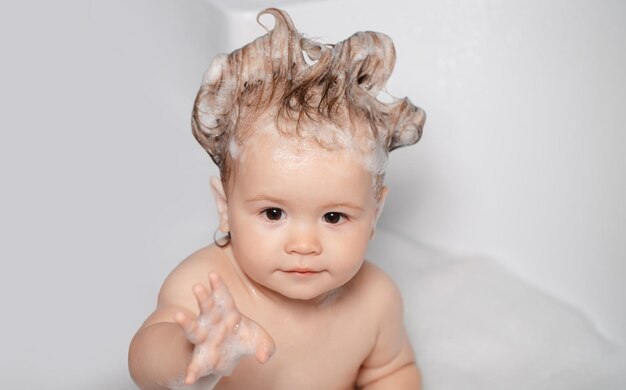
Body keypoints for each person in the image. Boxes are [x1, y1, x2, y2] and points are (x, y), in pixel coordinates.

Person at [128, 8, 425, 389]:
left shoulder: (376, 300)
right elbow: (144, 362)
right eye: (273, 213)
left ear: (375, 213)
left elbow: (392, 371)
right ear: (225, 208)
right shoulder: (207, 286)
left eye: (334, 217)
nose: (304, 245)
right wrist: (193, 351)